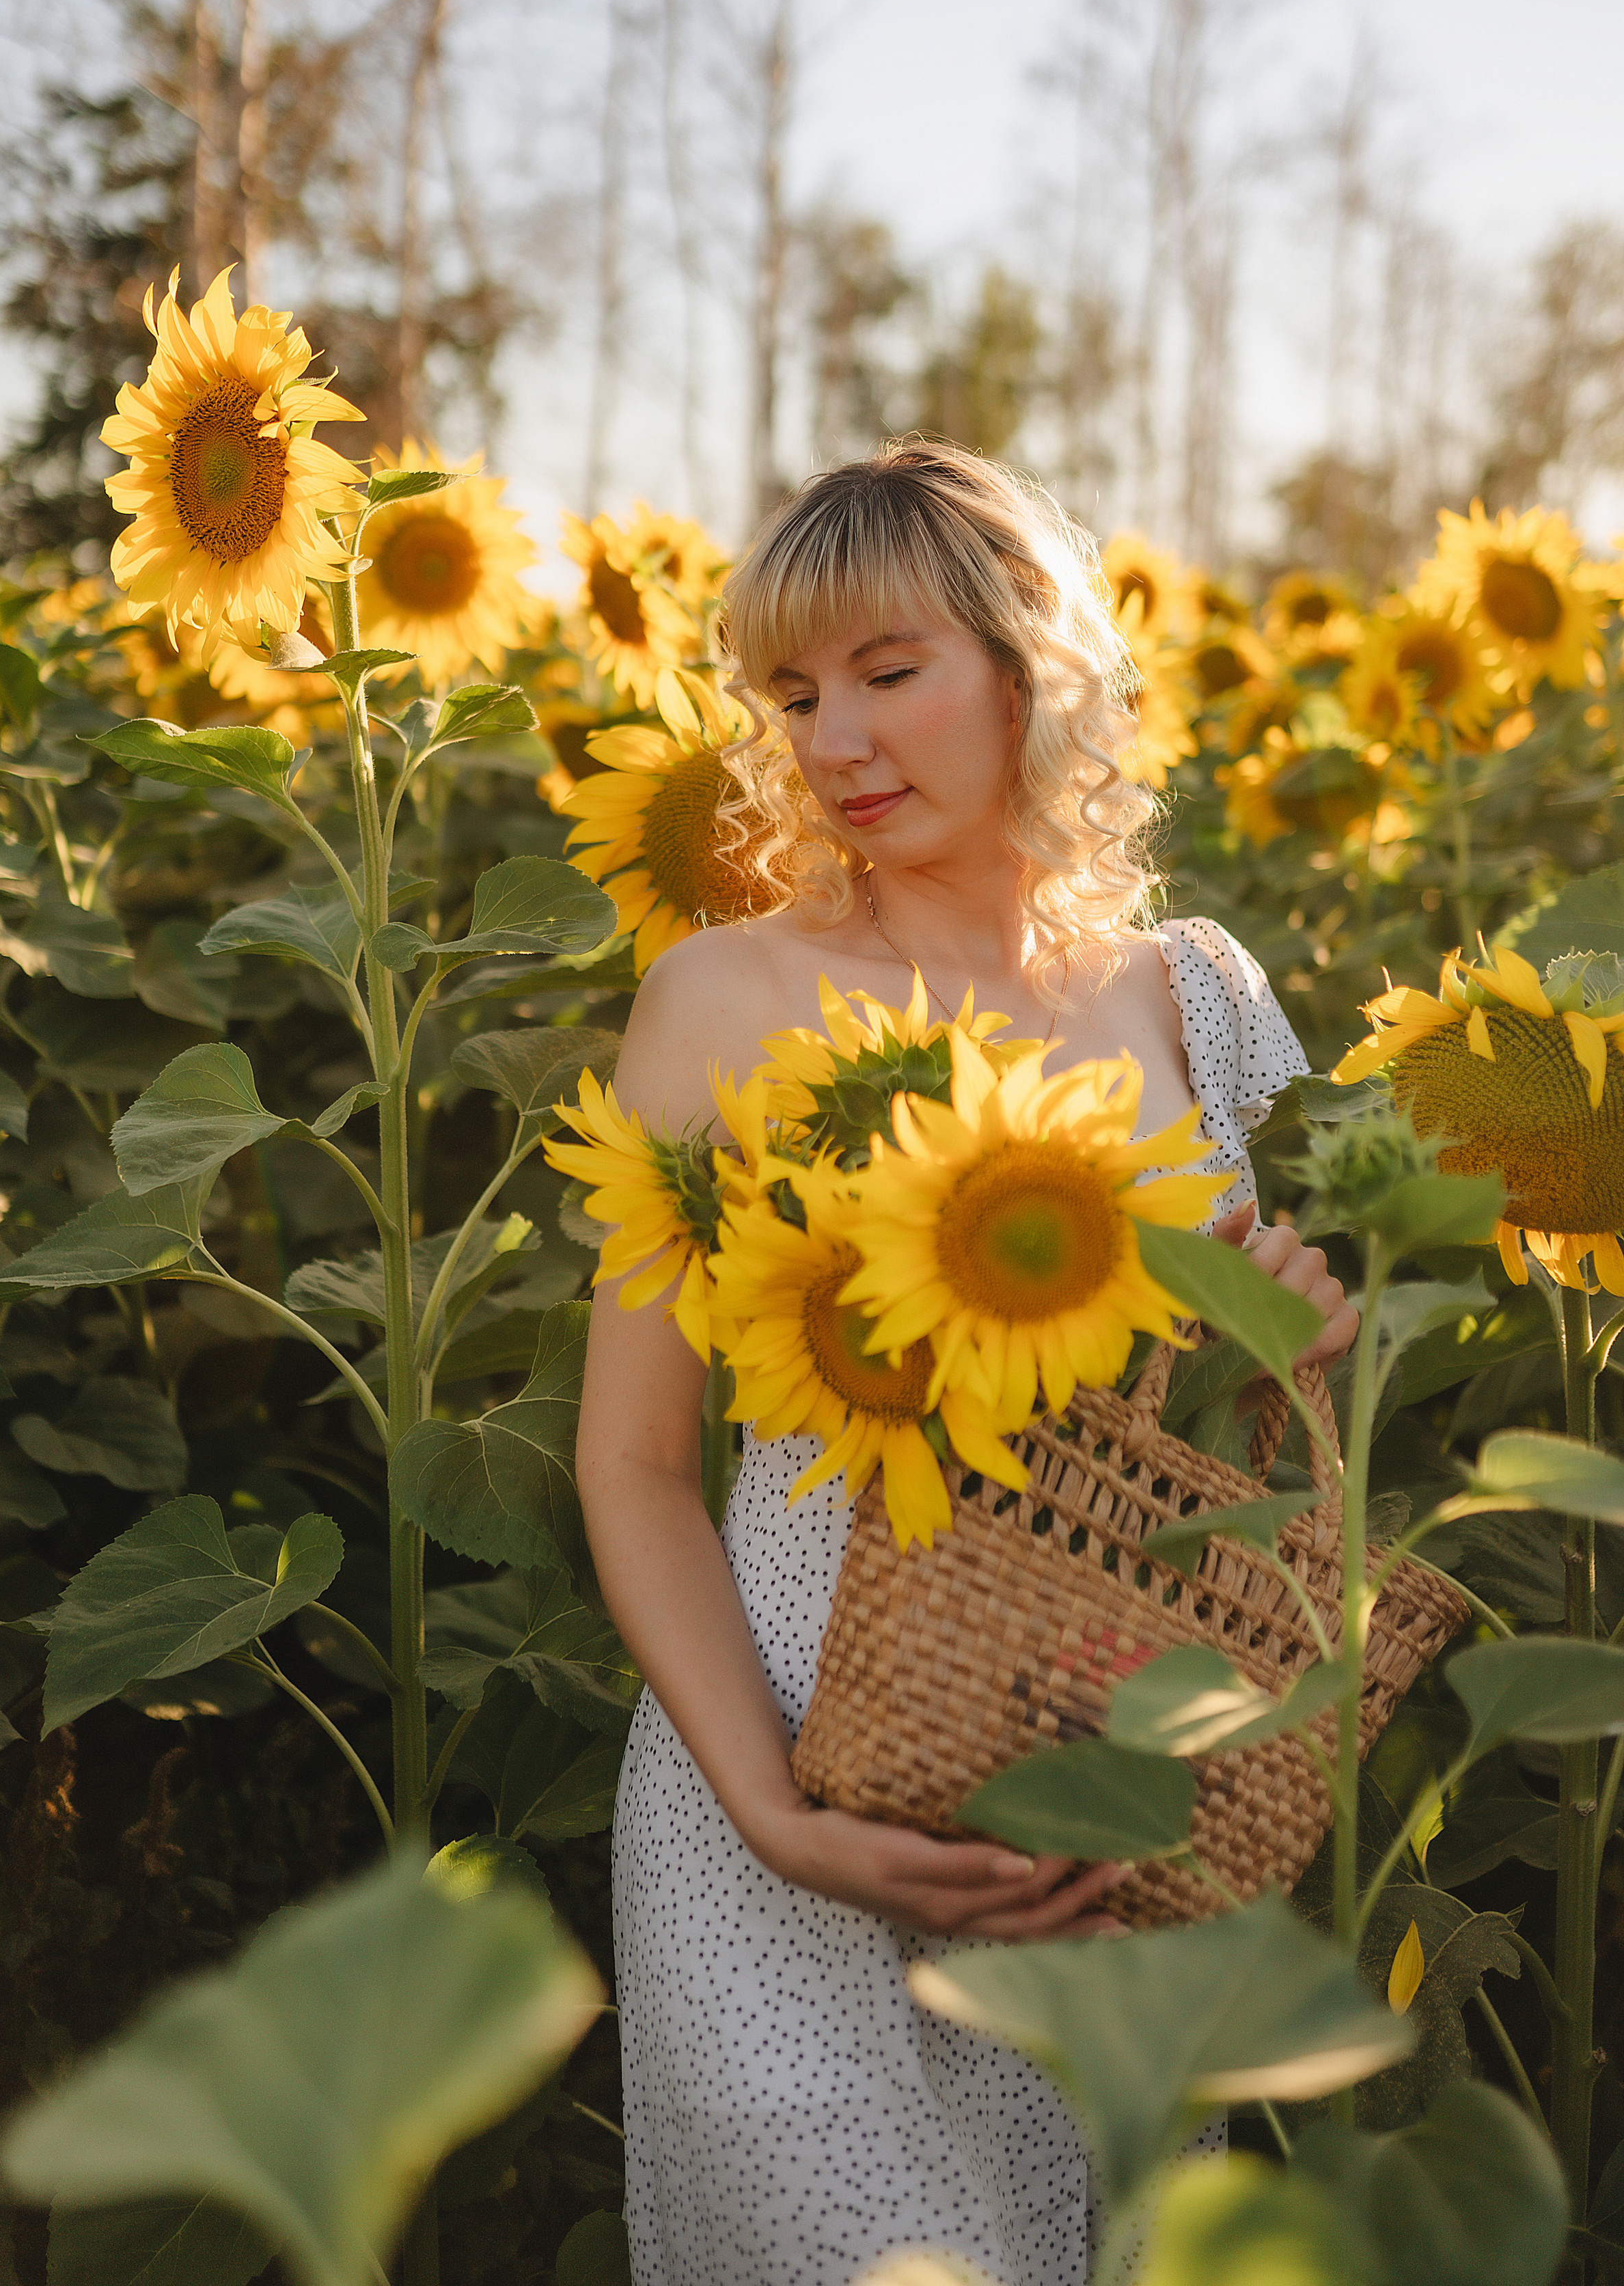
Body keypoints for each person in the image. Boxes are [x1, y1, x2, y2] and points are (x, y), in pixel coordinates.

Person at [575, 445, 1356, 2286]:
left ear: (1031, 666)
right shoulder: (722, 1001)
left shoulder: (1204, 1002)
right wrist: (775, 1810)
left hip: (1107, 1791)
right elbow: (630, 1459)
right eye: (792, 690)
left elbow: (1264, 1476)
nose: (832, 737)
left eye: (888, 669)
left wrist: (1297, 1357)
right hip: (779, 1776)